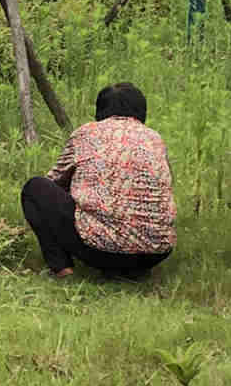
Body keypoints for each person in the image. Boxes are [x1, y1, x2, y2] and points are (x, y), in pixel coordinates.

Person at [21, 83, 175, 280]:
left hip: (101, 252)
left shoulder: (86, 133)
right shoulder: (154, 138)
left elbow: (54, 182)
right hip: (157, 252)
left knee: (35, 188)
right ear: (141, 112)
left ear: (100, 110)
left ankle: (62, 270)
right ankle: (136, 271)